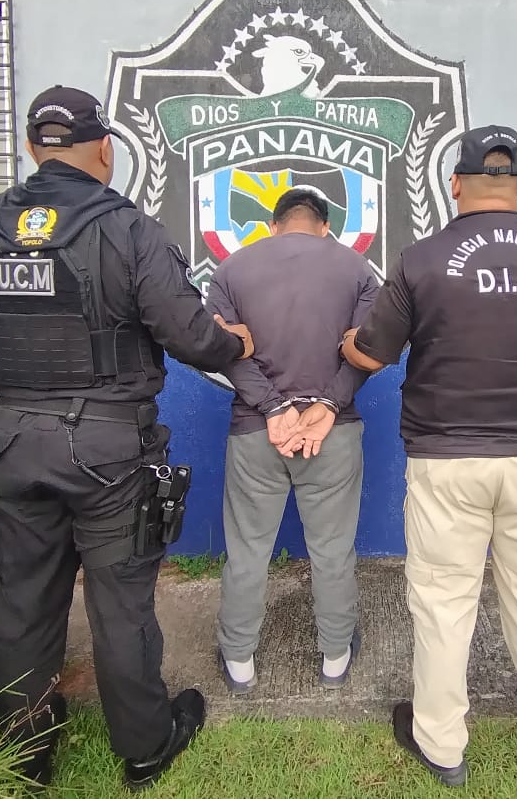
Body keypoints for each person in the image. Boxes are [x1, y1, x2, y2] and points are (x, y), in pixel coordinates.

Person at [0, 85, 254, 790]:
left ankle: (24, 751)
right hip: (109, 450)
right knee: (120, 602)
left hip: (13, 441)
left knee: (22, 600)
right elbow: (190, 335)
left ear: (33, 148)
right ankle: (145, 746)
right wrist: (235, 343)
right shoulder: (129, 230)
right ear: (106, 150)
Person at [341, 124, 517, 787]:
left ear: (455, 184)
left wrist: (349, 341)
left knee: (443, 601)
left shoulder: (421, 260)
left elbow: (371, 355)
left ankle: (442, 746)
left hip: (448, 461)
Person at [205, 188, 378, 695]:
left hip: (256, 432)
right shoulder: (357, 269)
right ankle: (335, 657)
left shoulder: (232, 269)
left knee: (247, 550)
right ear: (325, 228)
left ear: (274, 226)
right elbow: (369, 350)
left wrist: (273, 406)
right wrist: (328, 403)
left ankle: (239, 660)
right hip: (332, 432)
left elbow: (220, 348)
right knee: (333, 550)